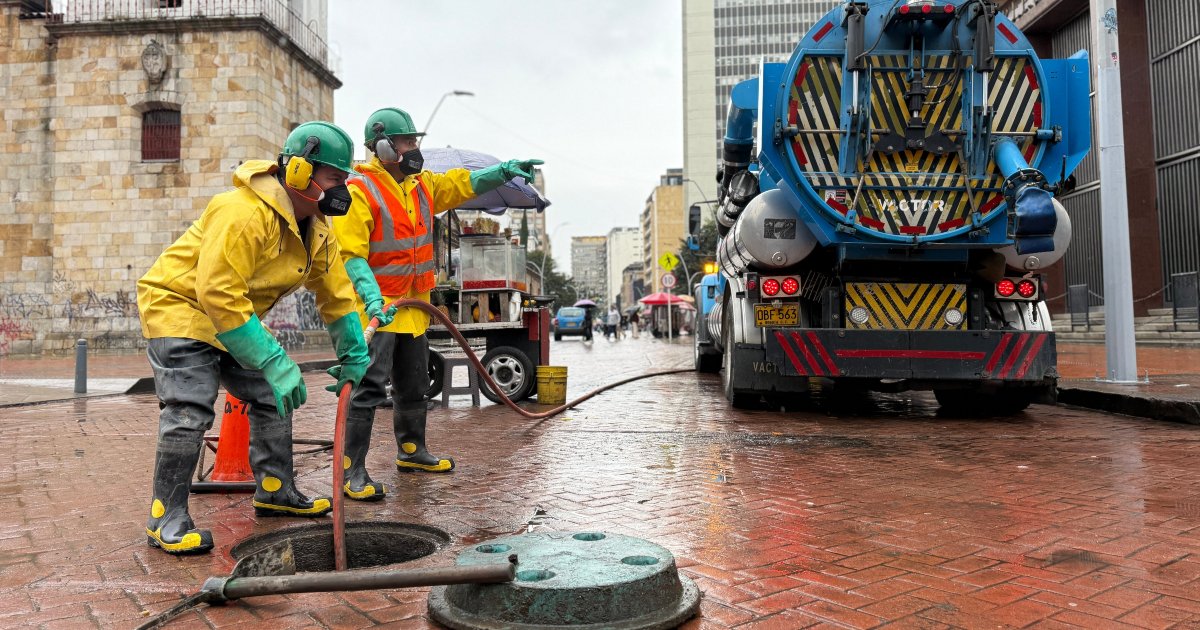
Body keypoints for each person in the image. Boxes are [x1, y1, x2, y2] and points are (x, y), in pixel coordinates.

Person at [137, 121, 371, 555]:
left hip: (228, 318)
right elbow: (216, 290)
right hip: (180, 308)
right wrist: (270, 357)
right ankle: (164, 517)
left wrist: (355, 353)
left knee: (269, 393)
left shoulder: (317, 228)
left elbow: (336, 294)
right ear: (299, 172)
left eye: (345, 180)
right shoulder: (242, 212)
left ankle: (275, 490)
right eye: (335, 179)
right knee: (189, 407)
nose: (342, 191)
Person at [333, 106, 542, 499]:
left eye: (415, 141)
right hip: (375, 312)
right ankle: (352, 471)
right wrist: (373, 299)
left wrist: (504, 170)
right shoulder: (359, 190)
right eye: (408, 141)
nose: (414, 148)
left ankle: (412, 450)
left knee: (414, 386)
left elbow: (464, 184)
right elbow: (351, 254)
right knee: (367, 390)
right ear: (382, 147)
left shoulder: (422, 185)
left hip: (414, 309)